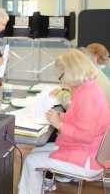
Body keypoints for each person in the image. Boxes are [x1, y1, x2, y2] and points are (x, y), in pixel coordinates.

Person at [18, 49, 110, 194]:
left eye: (61, 75)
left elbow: (85, 135)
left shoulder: (86, 96)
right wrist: (61, 117)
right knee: (36, 151)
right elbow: (81, 119)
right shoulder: (87, 88)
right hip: (90, 151)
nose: (62, 79)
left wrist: (59, 124)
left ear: (70, 71)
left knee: (31, 161)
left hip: (88, 158)